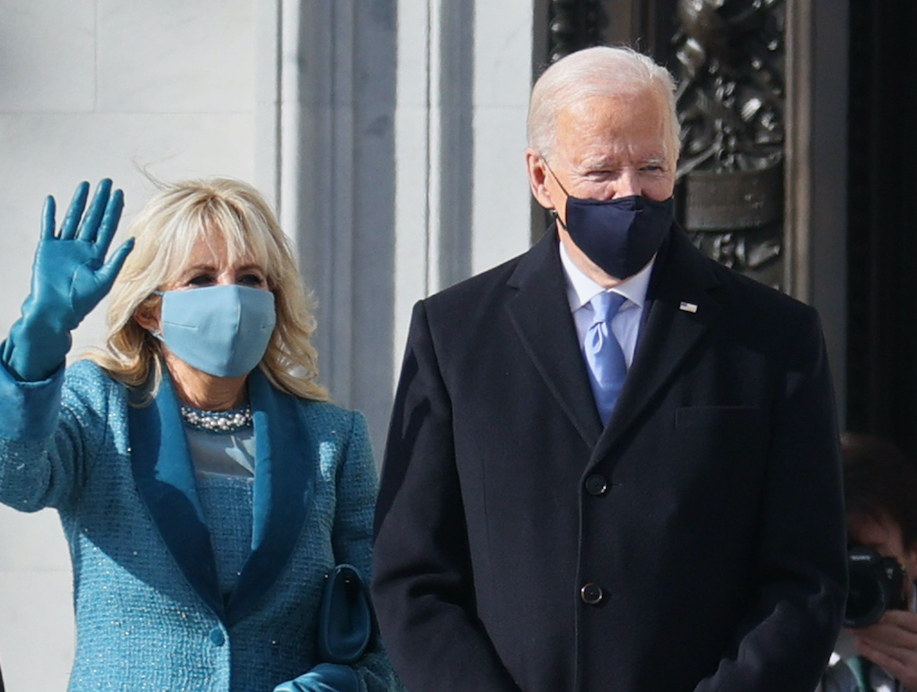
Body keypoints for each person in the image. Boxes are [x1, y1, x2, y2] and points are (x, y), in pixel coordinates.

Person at [372, 45, 846, 692]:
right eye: (600, 171)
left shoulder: (771, 338)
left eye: (651, 167)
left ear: (677, 165)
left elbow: (805, 576)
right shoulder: (455, 335)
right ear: (542, 178)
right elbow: (412, 575)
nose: (630, 193)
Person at [0, 177, 401, 692]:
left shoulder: (333, 437)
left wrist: (338, 686)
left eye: (251, 278)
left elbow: (390, 613)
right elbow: (2, 474)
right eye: (200, 279)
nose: (230, 296)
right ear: (151, 310)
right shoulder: (100, 408)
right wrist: (39, 335)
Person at [820, 433, 917, 692]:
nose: (852, 583)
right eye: (839, 559)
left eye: (871, 560)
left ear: (913, 553)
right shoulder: (772, 645)